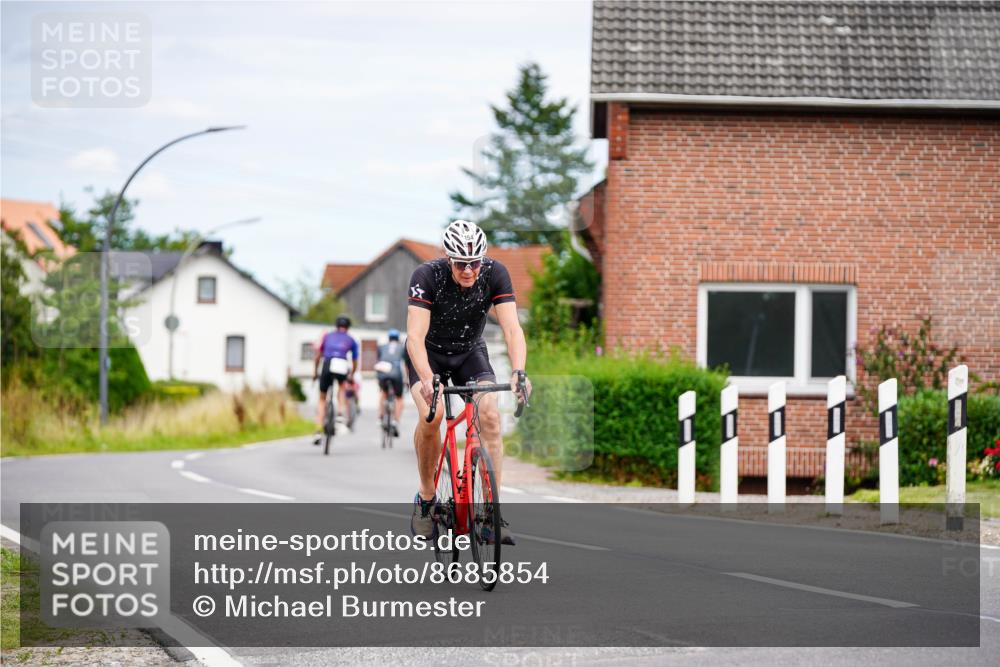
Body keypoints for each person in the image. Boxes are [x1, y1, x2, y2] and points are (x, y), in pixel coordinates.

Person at [405, 220, 531, 545]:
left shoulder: (495, 273)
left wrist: (519, 372)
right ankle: (427, 499)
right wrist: (426, 378)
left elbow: (513, 329)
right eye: (461, 263)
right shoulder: (426, 276)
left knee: (489, 413)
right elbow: (415, 337)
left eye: (474, 263)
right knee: (431, 417)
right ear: (449, 259)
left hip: (468, 352)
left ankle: (490, 513)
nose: (468, 271)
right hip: (429, 355)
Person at [312, 315, 359, 444]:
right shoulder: (351, 340)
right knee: (342, 386)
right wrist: (352, 375)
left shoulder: (327, 336)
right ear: (348, 327)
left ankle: (317, 432)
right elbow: (355, 361)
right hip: (342, 363)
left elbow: (317, 357)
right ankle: (339, 414)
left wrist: (315, 373)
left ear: (336, 326)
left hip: (328, 363)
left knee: (322, 398)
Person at [375, 329, 407, 437]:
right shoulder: (402, 348)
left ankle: (380, 417)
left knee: (383, 393)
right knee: (399, 397)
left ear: (388, 338)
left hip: (383, 370)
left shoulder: (382, 347)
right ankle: (395, 421)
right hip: (396, 371)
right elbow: (406, 365)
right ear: (398, 339)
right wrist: (406, 380)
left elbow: (379, 360)